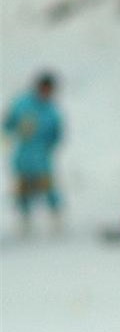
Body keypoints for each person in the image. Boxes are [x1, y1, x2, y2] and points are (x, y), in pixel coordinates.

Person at [3, 71, 65, 235]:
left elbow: (57, 134)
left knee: (48, 188)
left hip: (42, 158)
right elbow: (8, 123)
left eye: (50, 90)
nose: (47, 92)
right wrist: (8, 134)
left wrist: (49, 147)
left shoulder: (51, 111)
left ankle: (56, 218)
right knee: (23, 190)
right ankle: (25, 221)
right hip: (23, 156)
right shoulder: (22, 104)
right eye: (45, 88)